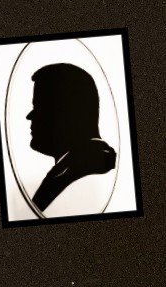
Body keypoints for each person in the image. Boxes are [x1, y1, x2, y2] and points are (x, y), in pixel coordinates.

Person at [27, 63, 116, 212]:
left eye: (39, 106)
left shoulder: (85, 176)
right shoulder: (71, 169)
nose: (30, 116)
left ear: (66, 113)